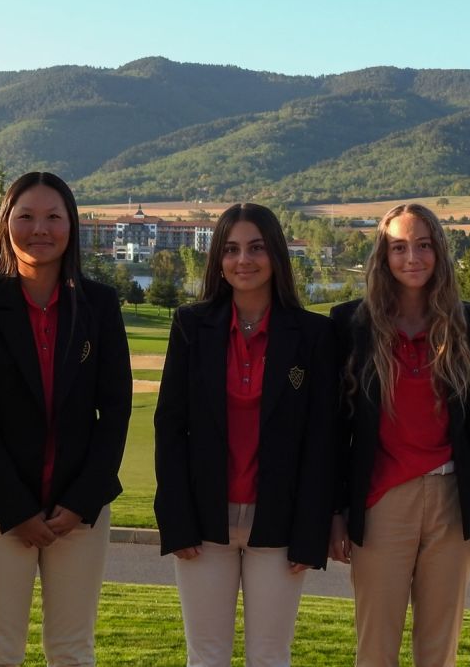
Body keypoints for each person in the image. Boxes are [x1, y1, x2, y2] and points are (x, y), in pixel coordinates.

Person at [0, 171, 132, 666]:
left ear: (71, 225)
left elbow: (115, 410)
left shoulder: (99, 305)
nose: (40, 229)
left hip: (80, 512)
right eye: (26, 216)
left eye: (54, 216)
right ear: (6, 223)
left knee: (72, 649)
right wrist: (18, 510)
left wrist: (80, 501)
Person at [154, 203, 335, 667]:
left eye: (256, 247)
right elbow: (170, 428)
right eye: (231, 249)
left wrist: (311, 532)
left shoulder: (314, 335)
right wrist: (175, 519)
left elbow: (322, 440)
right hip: (202, 522)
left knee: (271, 656)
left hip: (280, 522)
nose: (243, 260)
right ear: (218, 259)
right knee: (206, 656)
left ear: (275, 253)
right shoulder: (191, 327)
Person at [328, 203, 470, 667]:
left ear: (439, 252)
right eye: (399, 247)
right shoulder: (350, 324)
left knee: (438, 649)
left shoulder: (468, 322)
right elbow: (336, 430)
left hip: (452, 500)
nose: (412, 258)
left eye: (423, 246)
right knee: (376, 648)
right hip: (381, 502)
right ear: (383, 257)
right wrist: (336, 512)